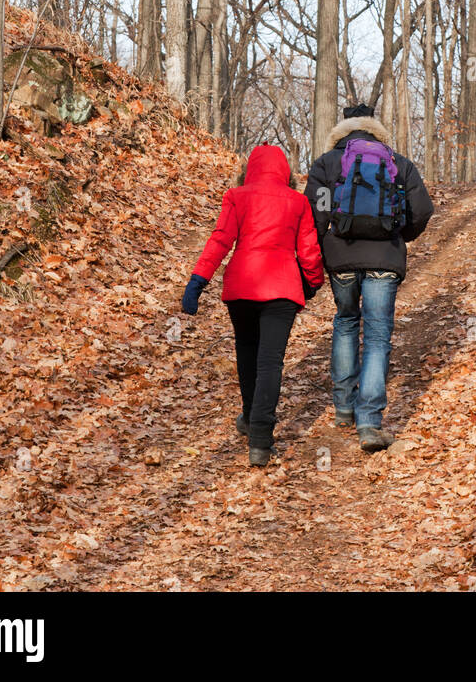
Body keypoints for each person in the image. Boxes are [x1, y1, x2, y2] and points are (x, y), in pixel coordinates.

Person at [181, 144, 323, 467]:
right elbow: (310, 251)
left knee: (247, 353)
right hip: (282, 291)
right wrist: (312, 283)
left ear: (250, 169)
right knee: (270, 362)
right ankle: (260, 440)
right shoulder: (298, 202)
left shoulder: (237, 196)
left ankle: (249, 415)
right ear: (285, 172)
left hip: (242, 289)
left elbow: (220, 240)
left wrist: (197, 281)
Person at [305, 104, 433, 452]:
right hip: (384, 259)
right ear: (376, 129)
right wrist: (398, 235)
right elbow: (422, 210)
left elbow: (316, 212)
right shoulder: (398, 162)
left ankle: (344, 407)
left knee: (346, 322)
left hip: (341, 258)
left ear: (342, 130)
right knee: (377, 336)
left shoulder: (327, 163)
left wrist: (319, 250)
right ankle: (369, 423)